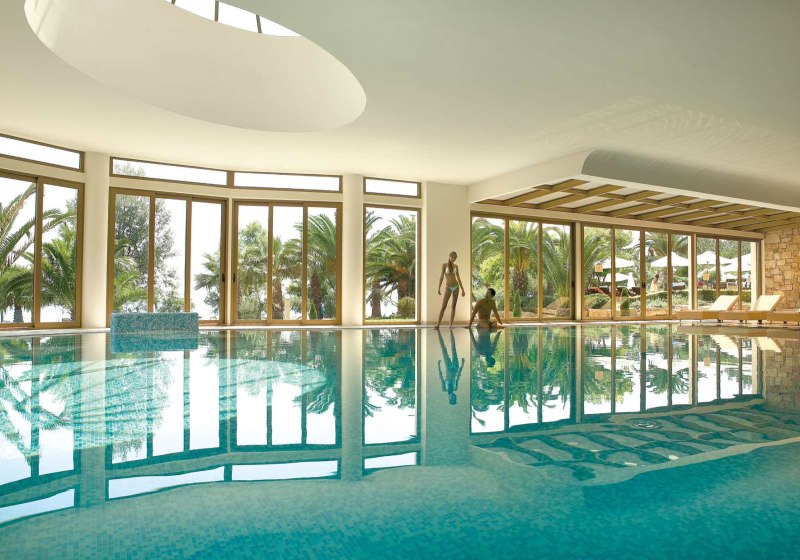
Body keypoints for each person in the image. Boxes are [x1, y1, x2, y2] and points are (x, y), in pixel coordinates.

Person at [434, 251, 465, 329]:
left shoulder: (456, 266)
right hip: (448, 287)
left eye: (455, 258)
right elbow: (441, 277)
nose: (453, 259)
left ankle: (450, 325)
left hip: (456, 287)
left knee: (453, 306)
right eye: (452, 257)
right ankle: (438, 324)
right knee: (443, 306)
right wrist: (439, 287)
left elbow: (458, 278)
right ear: (449, 256)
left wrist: (462, 289)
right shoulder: (444, 265)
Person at [437, 330, 463, 405]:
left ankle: (438, 332)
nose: (453, 397)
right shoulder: (455, 388)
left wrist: (438, 365)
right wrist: (462, 365)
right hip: (455, 367)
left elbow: (441, 377)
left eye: (452, 399)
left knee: (443, 349)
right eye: (454, 398)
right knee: (453, 348)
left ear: (449, 399)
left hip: (448, 368)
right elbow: (458, 376)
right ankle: (451, 330)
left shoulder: (444, 389)